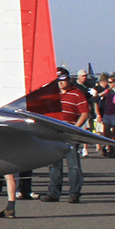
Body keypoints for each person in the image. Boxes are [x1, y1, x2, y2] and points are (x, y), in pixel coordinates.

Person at [41, 68, 89, 203]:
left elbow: (84, 113)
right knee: (54, 165)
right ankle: (53, 193)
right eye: (58, 81)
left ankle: (74, 193)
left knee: (74, 165)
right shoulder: (51, 94)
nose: (61, 83)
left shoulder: (77, 94)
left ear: (68, 80)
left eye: (63, 80)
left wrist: (74, 128)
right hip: (54, 133)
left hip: (70, 133)